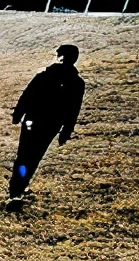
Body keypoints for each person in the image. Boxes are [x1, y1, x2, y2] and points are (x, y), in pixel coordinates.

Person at [8, 44, 86, 203]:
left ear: (60, 57)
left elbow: (27, 95)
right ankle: (21, 187)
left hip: (31, 121)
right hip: (51, 126)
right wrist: (66, 131)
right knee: (35, 156)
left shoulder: (44, 75)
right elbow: (73, 110)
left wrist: (18, 115)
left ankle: (16, 190)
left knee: (23, 155)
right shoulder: (78, 83)